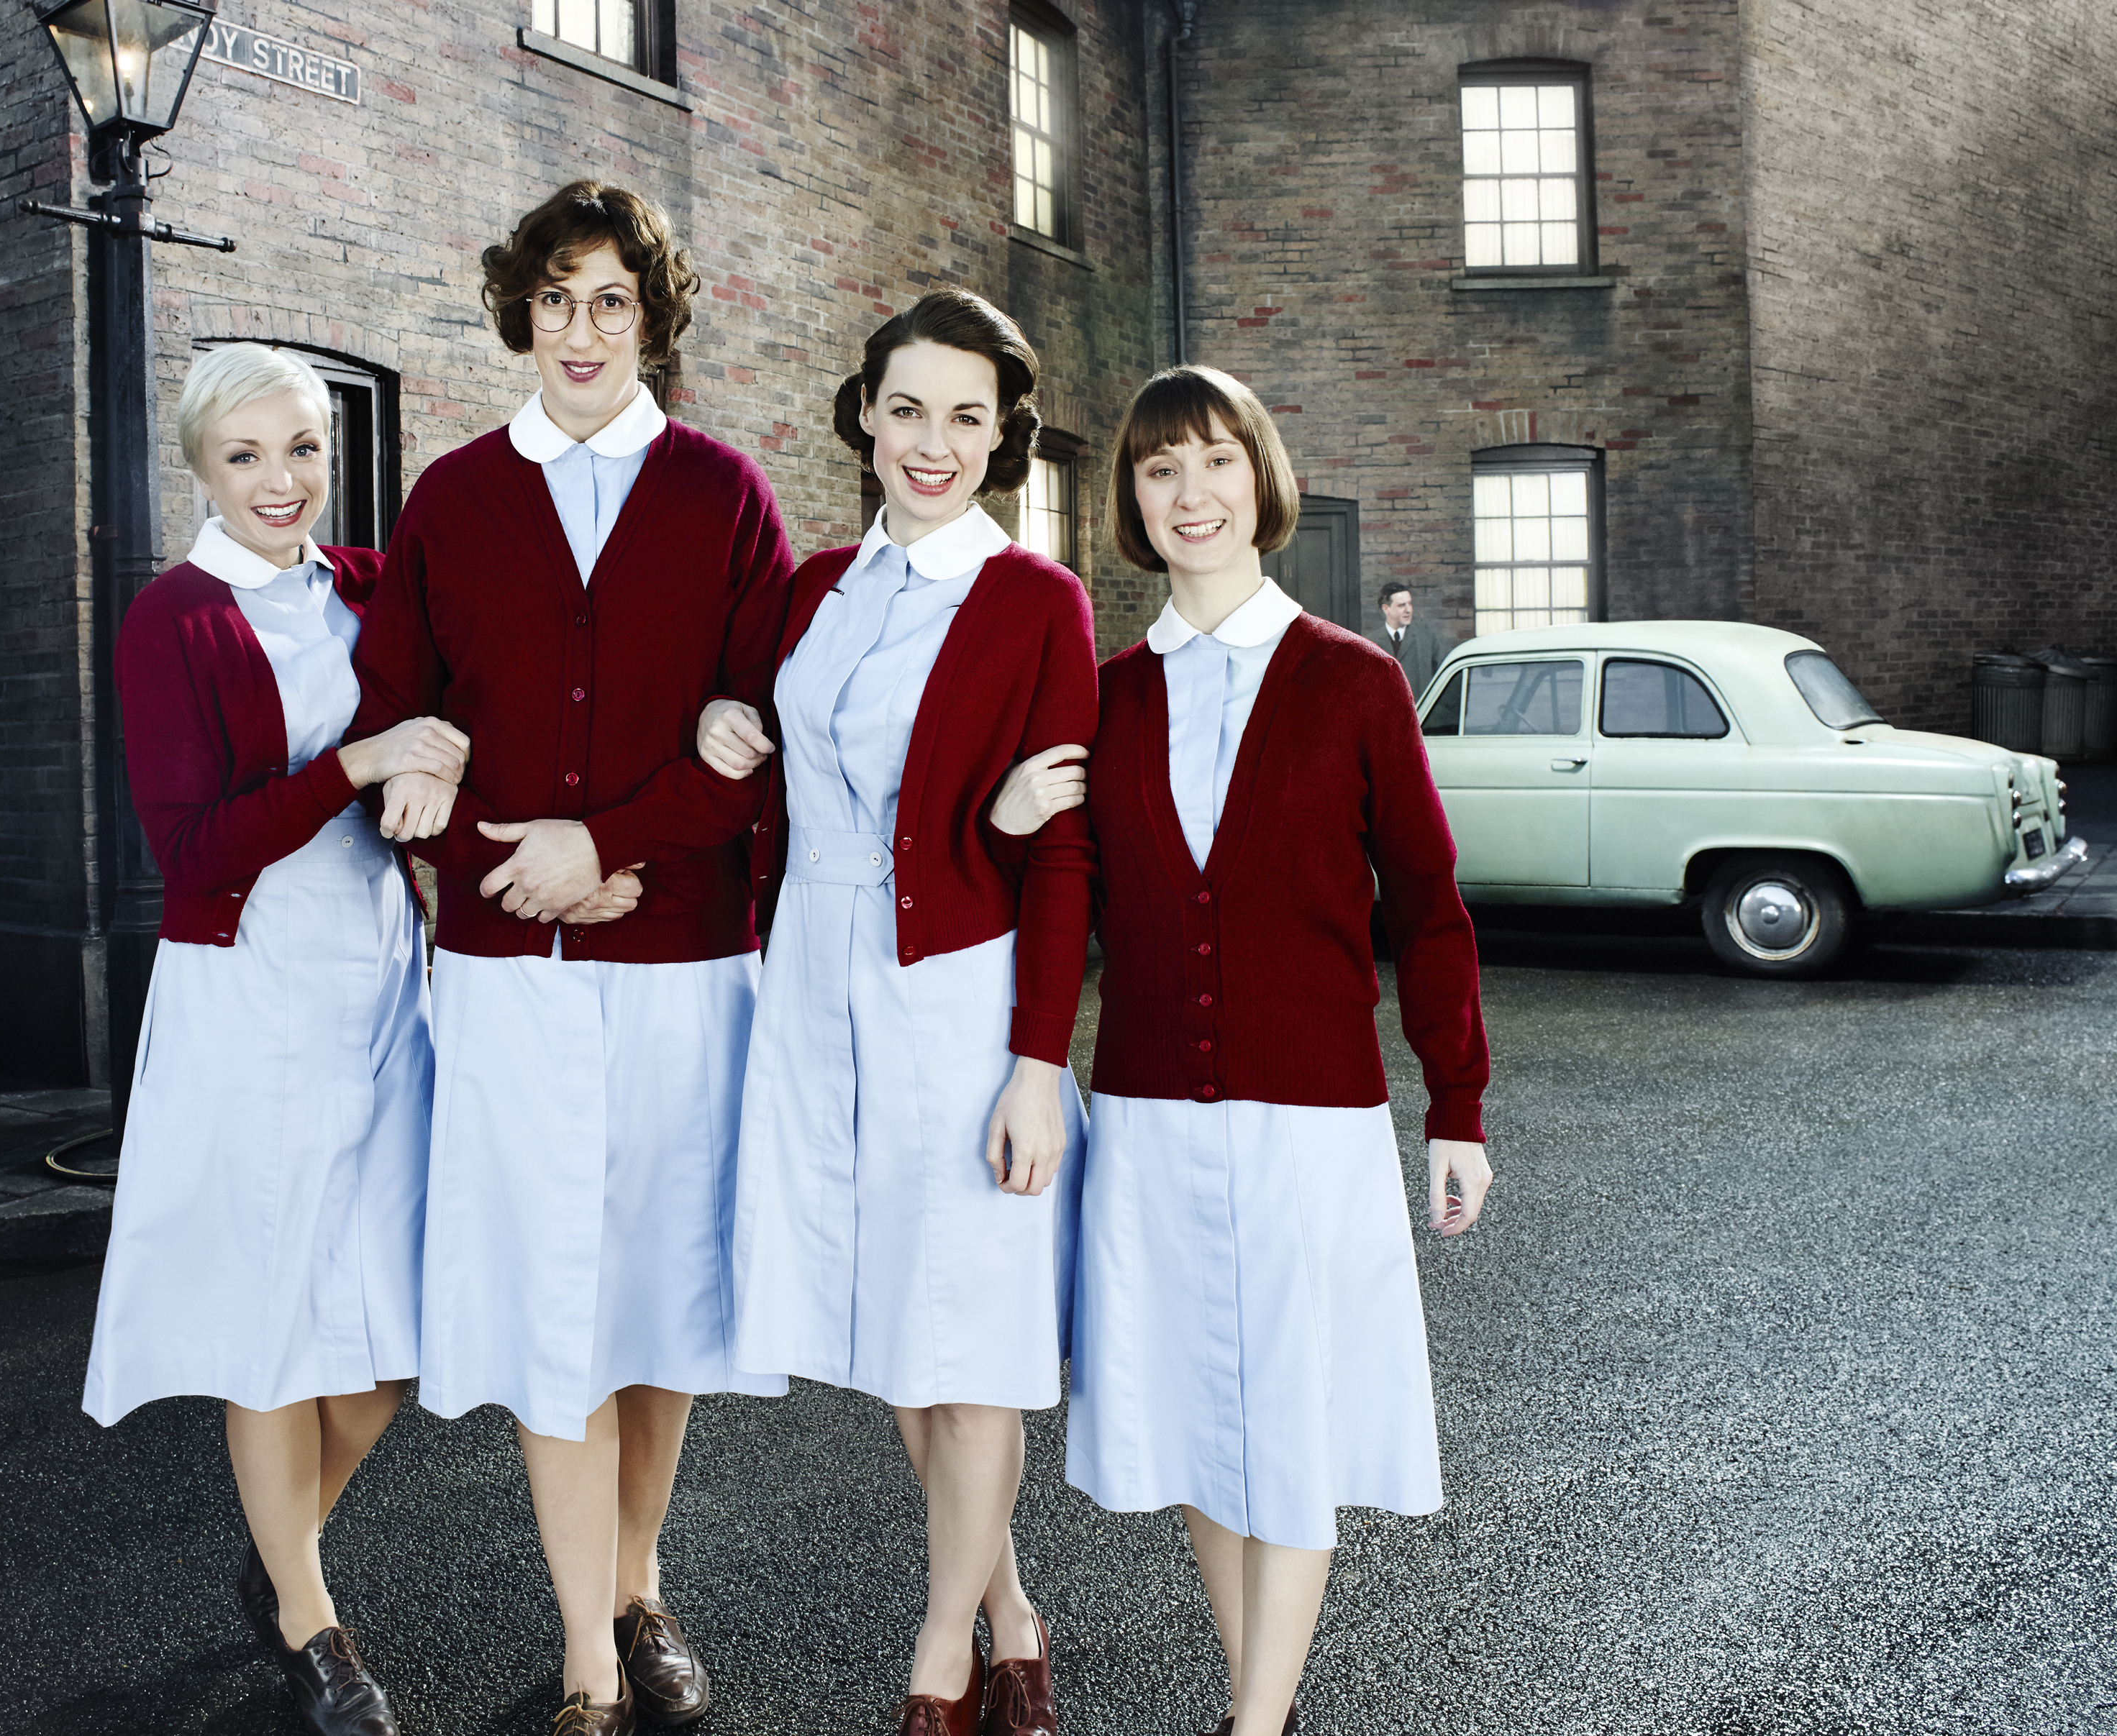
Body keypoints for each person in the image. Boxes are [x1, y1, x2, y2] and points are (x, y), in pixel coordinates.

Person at [351, 180, 795, 1736]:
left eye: (613, 298)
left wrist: (612, 850)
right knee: (551, 1292)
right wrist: (509, 853)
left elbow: (756, 732)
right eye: (556, 297)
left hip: (681, 964)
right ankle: (588, 1655)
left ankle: (639, 1581)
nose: (584, 328)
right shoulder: (452, 501)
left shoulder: (726, 494)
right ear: (519, 314)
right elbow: (398, 713)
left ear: (651, 320)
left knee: (661, 1295)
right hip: (505, 974)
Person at [1039, 365, 1494, 1736]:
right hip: (1147, 1116)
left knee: (1285, 1416)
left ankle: (1251, 1721)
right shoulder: (1102, 695)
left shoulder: (1353, 683)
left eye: (1216, 461)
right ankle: (1266, 1706)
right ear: (1132, 499)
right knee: (1196, 1415)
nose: (1191, 493)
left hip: (1312, 1123)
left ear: (1262, 478)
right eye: (1159, 468)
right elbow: (1055, 887)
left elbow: (1427, 908)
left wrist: (1454, 1103)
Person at [701, 289, 1096, 1736]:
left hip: (953, 995)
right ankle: (1008, 1610)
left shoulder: (1035, 601)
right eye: (909, 408)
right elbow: (751, 727)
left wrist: (1038, 1061)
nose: (933, 443)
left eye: (967, 418)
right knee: (895, 1322)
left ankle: (942, 1654)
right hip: (809, 983)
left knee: (971, 1323)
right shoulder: (812, 589)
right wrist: (715, 727)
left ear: (1004, 440)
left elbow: (1057, 845)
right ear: (864, 413)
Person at [80, 344, 470, 1736]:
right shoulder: (169, 621)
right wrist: (361, 764)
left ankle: (279, 1543)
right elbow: (190, 852)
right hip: (245, 984)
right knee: (275, 1326)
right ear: (199, 465)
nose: (281, 481)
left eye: (303, 448)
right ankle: (314, 1621)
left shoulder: (369, 587)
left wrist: (434, 771)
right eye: (246, 455)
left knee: (389, 1333)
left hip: (382, 973)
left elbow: (457, 711)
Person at [1366, 581, 1449, 698]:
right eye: (1402, 605)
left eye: (1410, 604)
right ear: (1386, 609)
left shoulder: (1428, 637)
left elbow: (1448, 677)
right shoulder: (1371, 643)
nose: (1408, 610)